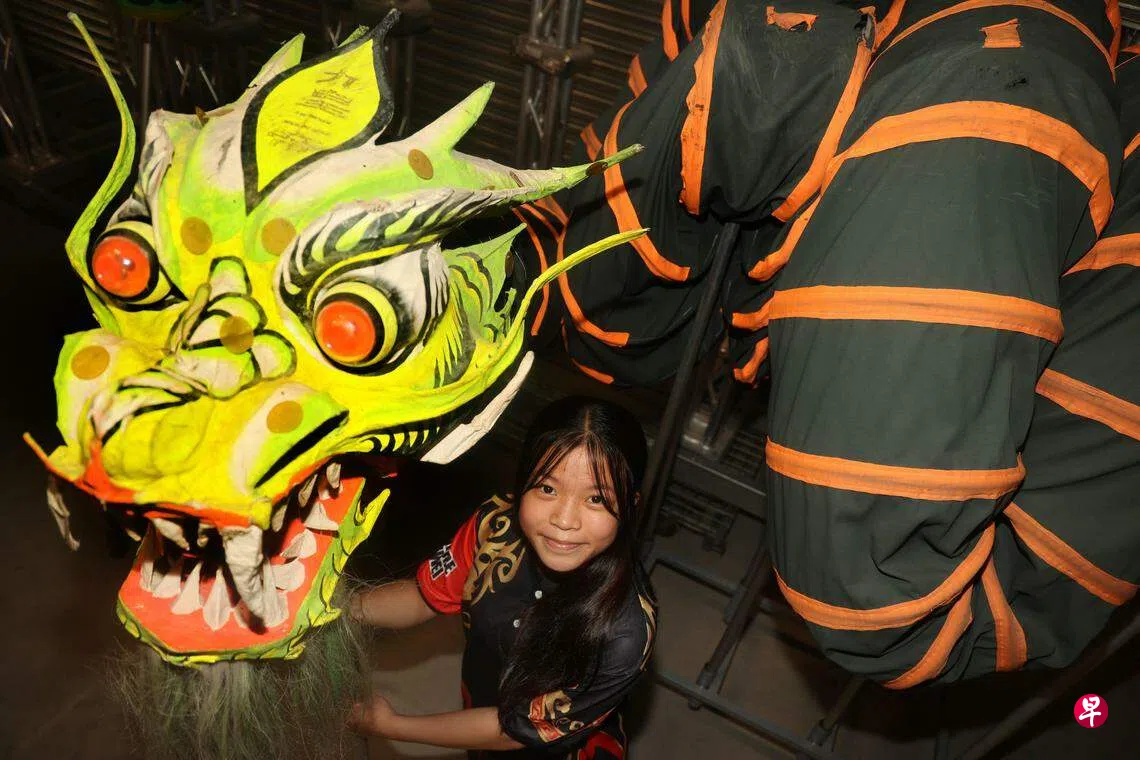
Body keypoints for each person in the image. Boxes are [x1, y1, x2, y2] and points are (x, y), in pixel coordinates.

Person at [350, 396, 657, 757]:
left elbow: (514, 731)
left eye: (596, 500)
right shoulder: (495, 525)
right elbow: (422, 596)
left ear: (631, 505)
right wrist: (337, 608)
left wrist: (391, 726)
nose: (564, 520)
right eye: (547, 488)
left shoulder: (628, 631)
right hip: (479, 723)